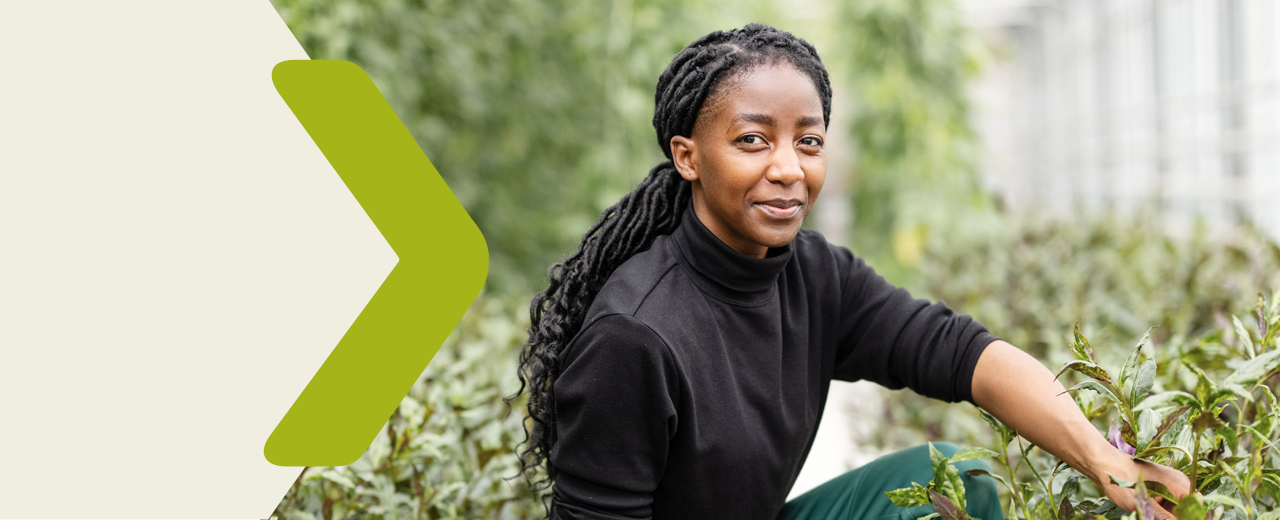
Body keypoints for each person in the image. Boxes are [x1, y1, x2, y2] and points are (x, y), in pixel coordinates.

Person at [509, 23, 1191, 520]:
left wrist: (1109, 462)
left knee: (951, 480)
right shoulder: (634, 336)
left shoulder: (813, 275)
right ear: (688, 157)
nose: (788, 167)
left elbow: (964, 355)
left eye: (808, 141)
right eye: (752, 140)